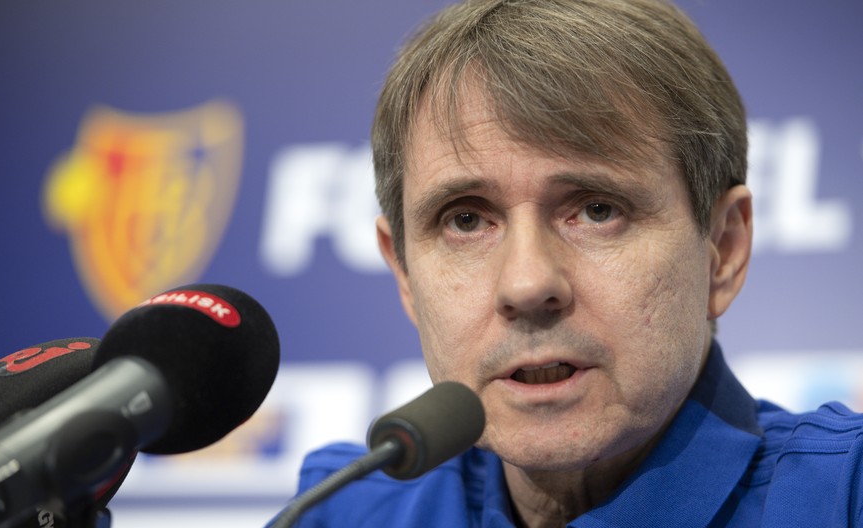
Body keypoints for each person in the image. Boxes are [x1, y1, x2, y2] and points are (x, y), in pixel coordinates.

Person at [292, 0, 863, 526]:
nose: (527, 283)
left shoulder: (844, 497)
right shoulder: (346, 512)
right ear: (405, 275)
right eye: (465, 220)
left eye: (596, 210)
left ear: (724, 251)